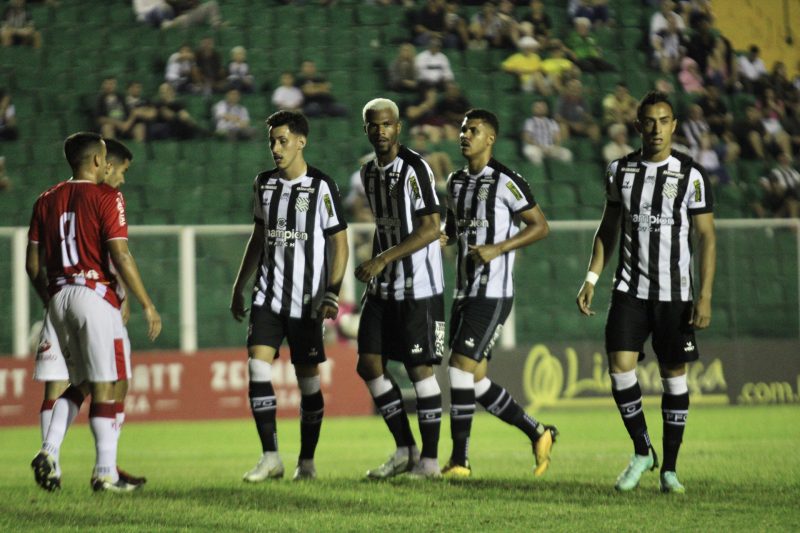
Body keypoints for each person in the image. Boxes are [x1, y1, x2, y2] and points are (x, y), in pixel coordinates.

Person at [576, 91, 716, 494]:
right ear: (637, 126)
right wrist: (591, 278)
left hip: (676, 294)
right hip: (629, 289)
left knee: (674, 374)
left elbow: (707, 238)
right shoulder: (619, 171)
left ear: (674, 125)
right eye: (648, 122)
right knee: (620, 367)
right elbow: (608, 228)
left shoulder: (691, 175)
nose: (656, 129)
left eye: (664, 121)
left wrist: (704, 296)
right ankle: (642, 450)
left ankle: (670, 468)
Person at [28, 132, 162, 492]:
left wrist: (52, 299)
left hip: (57, 298)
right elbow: (119, 254)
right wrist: (146, 302)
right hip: (93, 295)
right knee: (107, 383)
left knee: (80, 382)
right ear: (97, 161)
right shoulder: (107, 196)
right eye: (105, 158)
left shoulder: (45, 199)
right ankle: (105, 473)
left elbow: (31, 265)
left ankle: (49, 451)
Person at [230, 111, 349, 482]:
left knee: (308, 383)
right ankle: (270, 457)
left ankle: (307, 462)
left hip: (307, 303)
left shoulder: (322, 187)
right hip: (268, 296)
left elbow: (339, 244)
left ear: (301, 141)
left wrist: (332, 293)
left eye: (282, 141)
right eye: (272, 142)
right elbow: (258, 237)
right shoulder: (263, 184)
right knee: (256, 366)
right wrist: (239, 285)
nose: (276, 149)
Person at [439, 108, 556, 478]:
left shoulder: (506, 180)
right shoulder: (456, 182)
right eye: (462, 130)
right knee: (473, 381)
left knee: (459, 367)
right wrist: (444, 235)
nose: (464, 135)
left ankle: (460, 461)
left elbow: (540, 226)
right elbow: (455, 226)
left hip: (492, 293)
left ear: (490, 138)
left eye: (472, 130)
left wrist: (499, 248)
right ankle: (538, 432)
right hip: (463, 291)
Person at [355, 98, 445, 479]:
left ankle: (429, 462)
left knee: (419, 369)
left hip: (418, 287)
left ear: (398, 126)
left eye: (387, 124)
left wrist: (382, 259)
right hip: (384, 286)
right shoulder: (368, 173)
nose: (381, 131)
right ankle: (404, 449)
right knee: (369, 363)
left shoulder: (415, 168)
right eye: (374, 125)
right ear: (367, 129)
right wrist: (378, 268)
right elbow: (385, 226)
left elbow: (431, 228)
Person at [522, 100, 573, 166]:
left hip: (550, 147)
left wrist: (554, 147)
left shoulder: (552, 122)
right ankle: (539, 173)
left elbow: (557, 138)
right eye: (538, 107)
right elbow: (527, 138)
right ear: (533, 109)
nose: (540, 109)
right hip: (535, 146)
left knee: (567, 154)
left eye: (542, 107)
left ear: (546, 109)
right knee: (532, 152)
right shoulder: (529, 122)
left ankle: (562, 174)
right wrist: (540, 147)